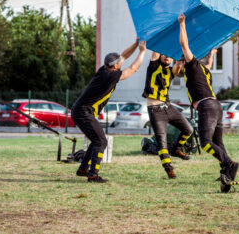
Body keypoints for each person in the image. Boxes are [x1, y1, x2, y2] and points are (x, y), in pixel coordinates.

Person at [178, 13, 238, 192]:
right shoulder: (204, 70)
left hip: (207, 106)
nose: (180, 66)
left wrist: (182, 24)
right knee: (218, 143)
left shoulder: (193, 65)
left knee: (205, 143)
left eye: (181, 62)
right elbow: (209, 64)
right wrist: (211, 53)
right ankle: (226, 171)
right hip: (216, 106)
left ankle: (229, 163)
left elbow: (184, 45)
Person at [72, 38, 146, 183]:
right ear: (115, 65)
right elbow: (133, 69)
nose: (121, 61)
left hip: (80, 110)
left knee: (96, 140)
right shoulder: (110, 76)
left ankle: (83, 169)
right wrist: (142, 52)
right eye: (119, 62)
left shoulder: (104, 69)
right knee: (101, 141)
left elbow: (123, 56)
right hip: (83, 112)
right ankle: (93, 175)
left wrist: (136, 44)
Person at [142, 52, 194, 179]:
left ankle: (176, 149)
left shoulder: (171, 71)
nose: (166, 56)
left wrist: (180, 59)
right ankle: (169, 169)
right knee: (162, 142)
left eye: (169, 55)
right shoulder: (153, 66)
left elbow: (178, 66)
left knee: (189, 129)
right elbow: (155, 51)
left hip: (168, 107)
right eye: (163, 54)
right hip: (155, 110)